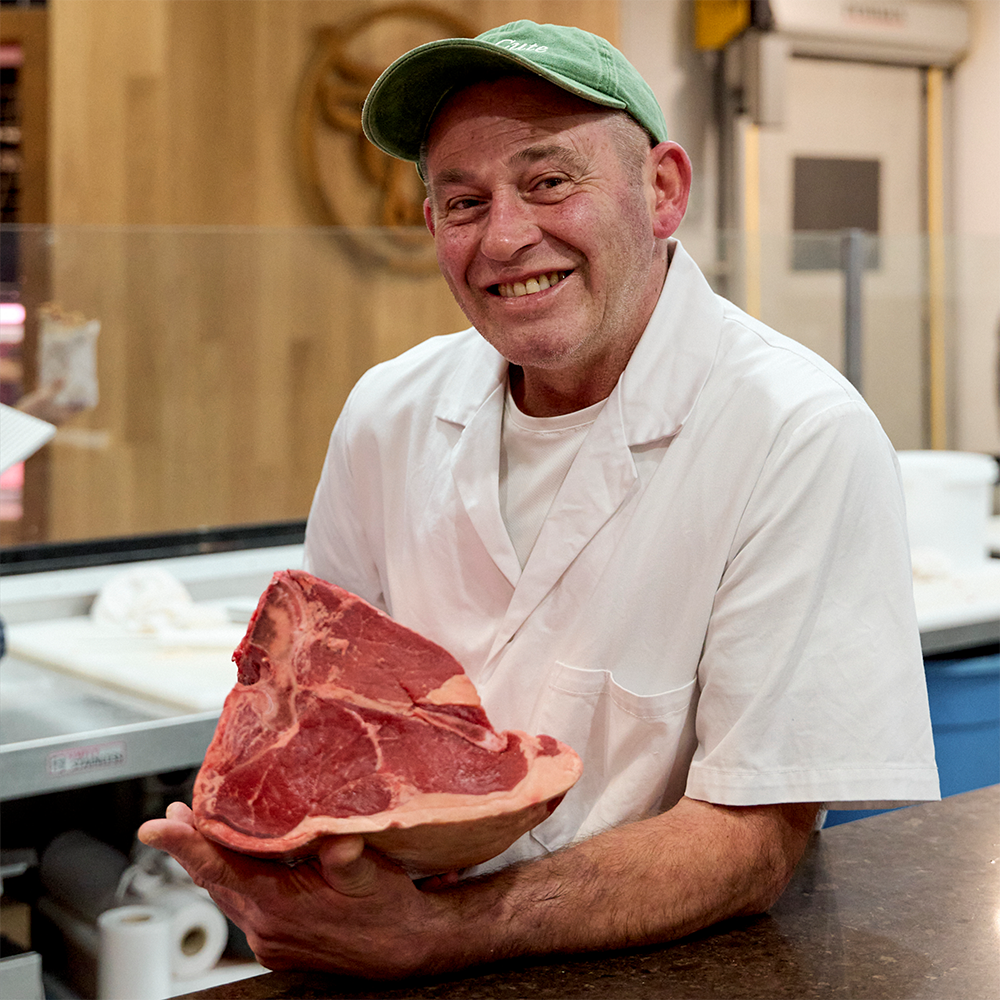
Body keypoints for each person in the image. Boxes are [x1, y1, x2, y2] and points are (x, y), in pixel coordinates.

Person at [139, 21, 939, 978]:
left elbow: (754, 839)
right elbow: (321, 716)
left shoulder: (796, 431)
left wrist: (435, 936)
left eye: (550, 181)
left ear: (663, 191)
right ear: (433, 226)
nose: (507, 236)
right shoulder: (388, 413)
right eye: (463, 200)